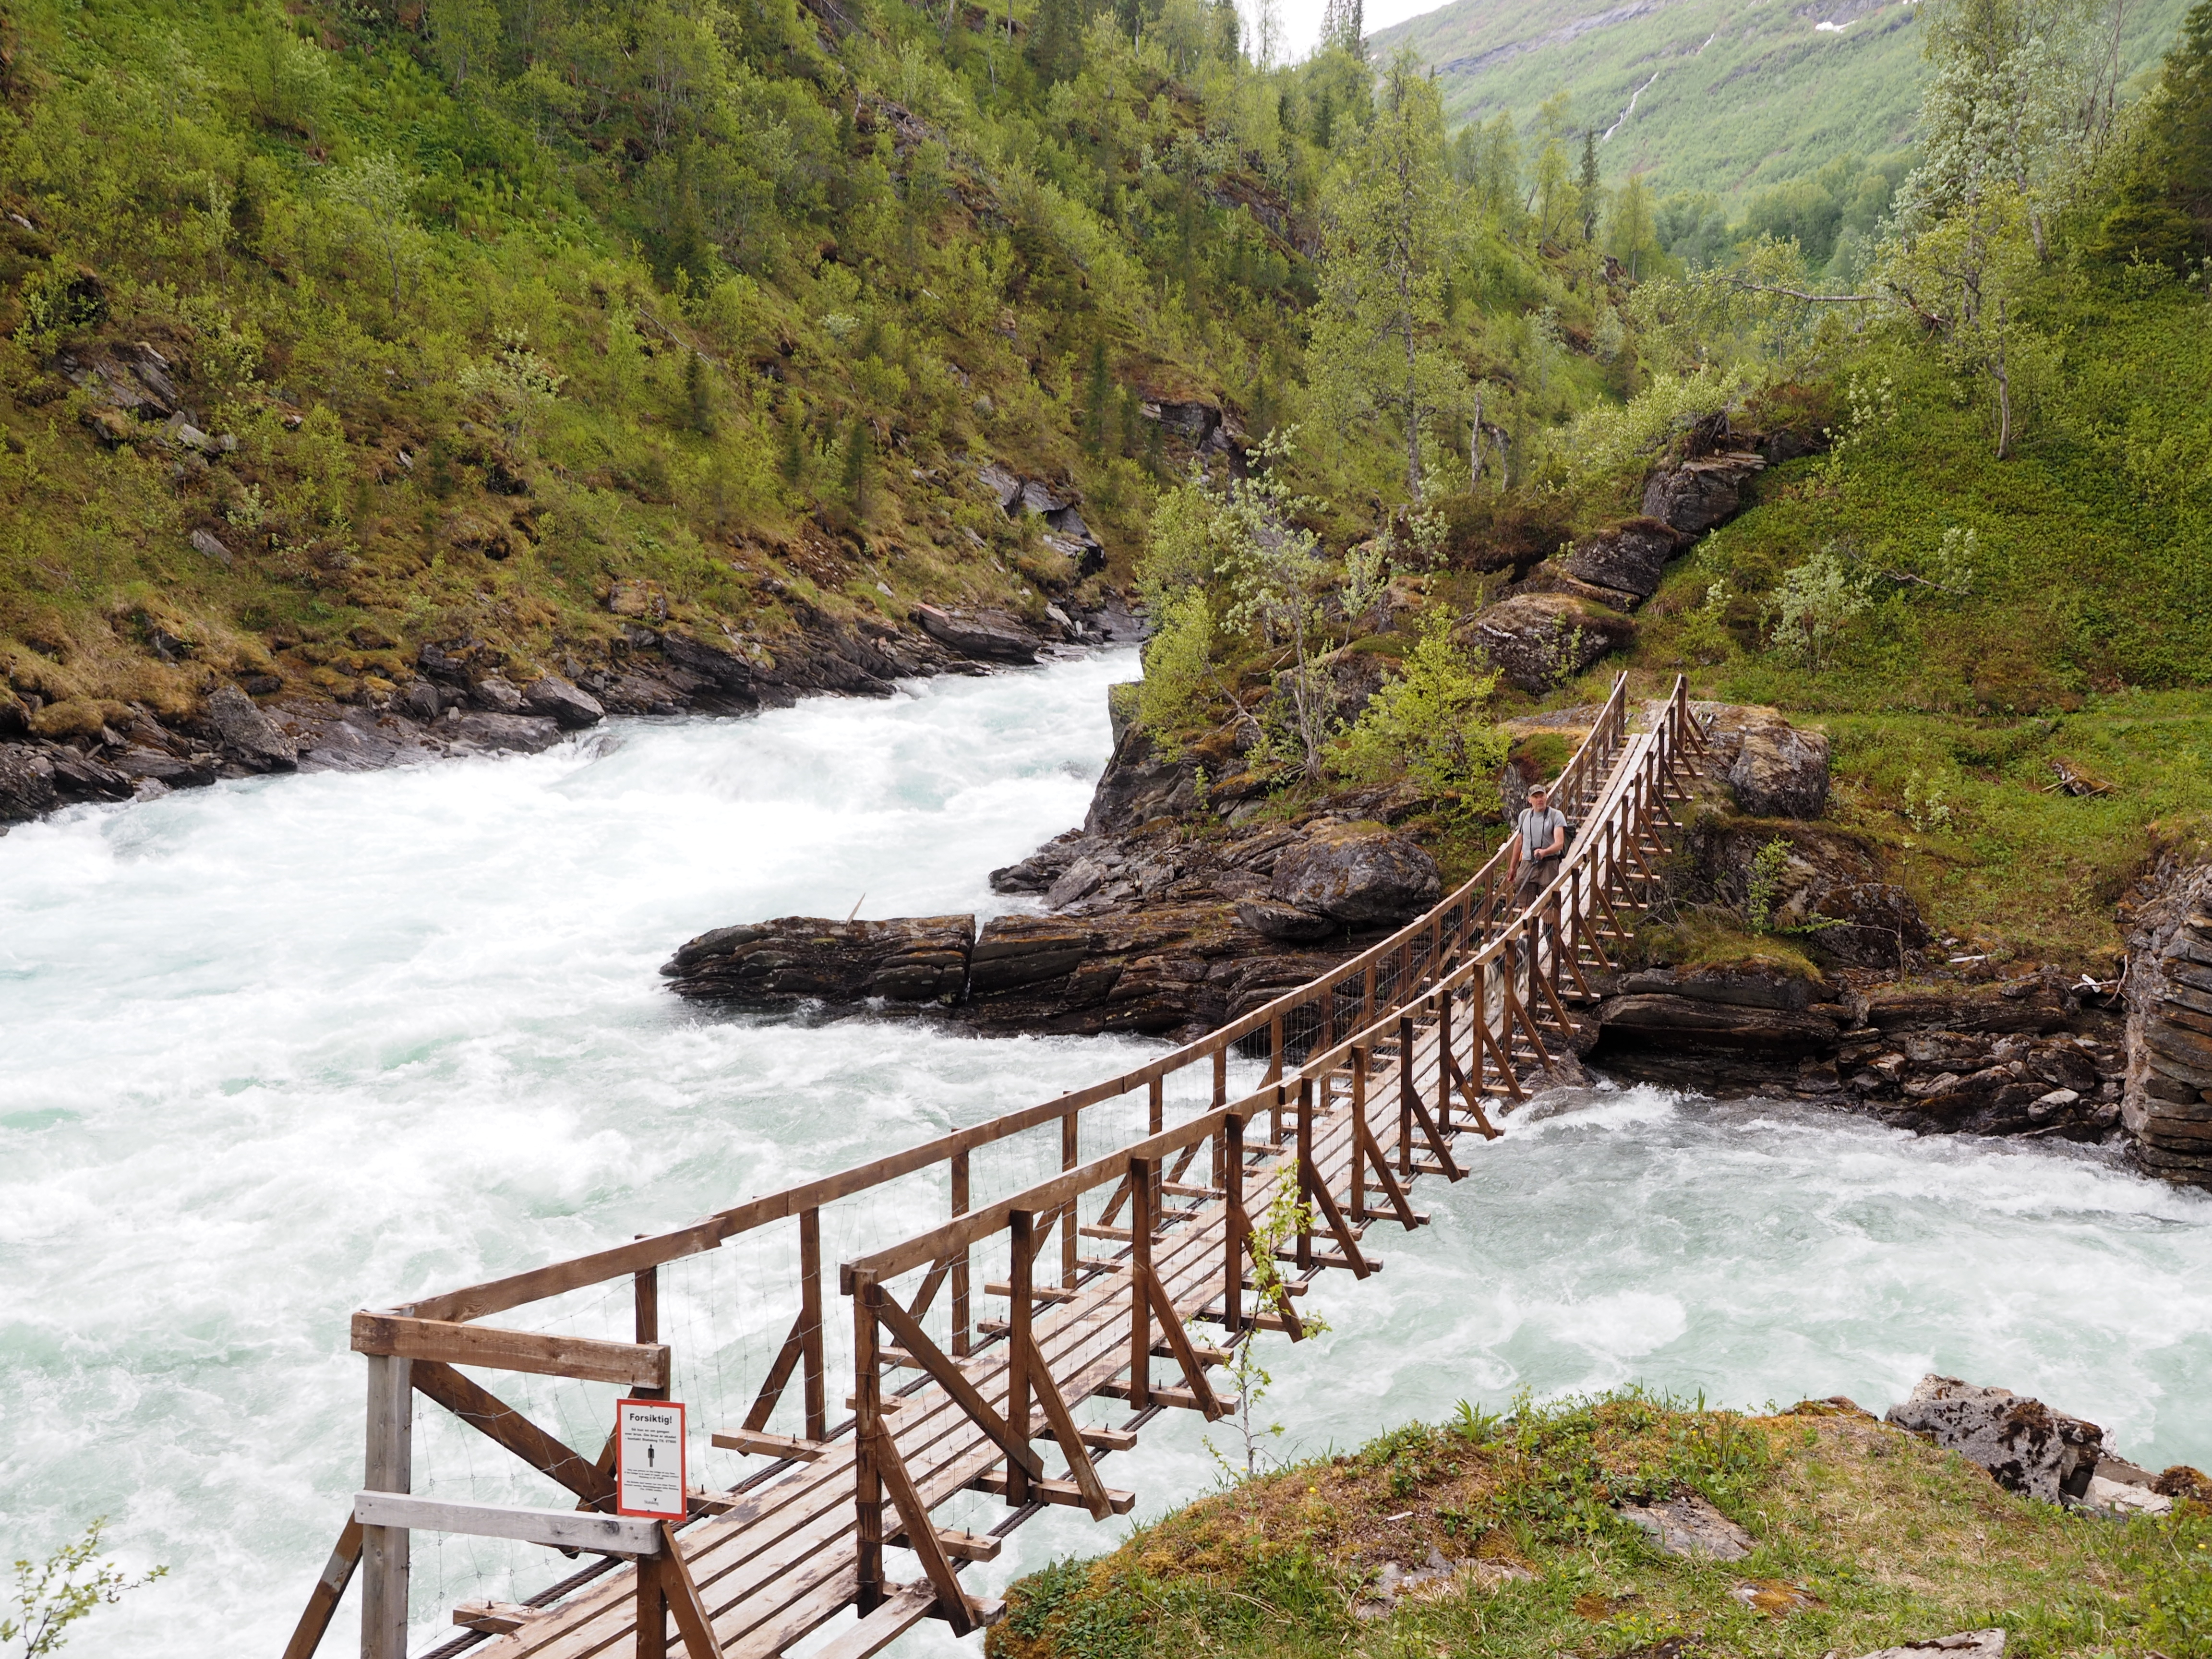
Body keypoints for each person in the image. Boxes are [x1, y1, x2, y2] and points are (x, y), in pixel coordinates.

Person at [1507, 781, 1568, 906]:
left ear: (1546, 797)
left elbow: (1559, 844)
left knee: (1548, 904)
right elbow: (1519, 841)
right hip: (1527, 863)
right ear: (1530, 800)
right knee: (1525, 904)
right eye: (1536, 797)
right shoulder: (1524, 816)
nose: (1540, 800)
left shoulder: (1556, 816)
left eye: (1542, 796)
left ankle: (1548, 926)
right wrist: (1513, 867)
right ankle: (1527, 926)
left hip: (1548, 864)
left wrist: (1544, 852)